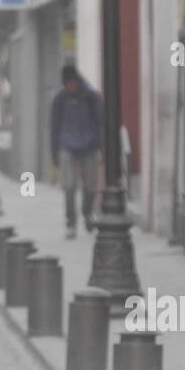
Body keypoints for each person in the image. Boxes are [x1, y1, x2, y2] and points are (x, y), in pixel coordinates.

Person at [49, 64, 104, 239]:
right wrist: (54, 154)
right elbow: (54, 127)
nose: (69, 87)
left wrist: (101, 147)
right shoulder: (59, 99)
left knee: (90, 186)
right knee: (69, 187)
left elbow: (100, 123)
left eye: (71, 83)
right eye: (66, 84)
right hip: (67, 147)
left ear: (77, 81)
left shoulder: (91, 96)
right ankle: (71, 223)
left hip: (89, 147)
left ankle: (87, 214)